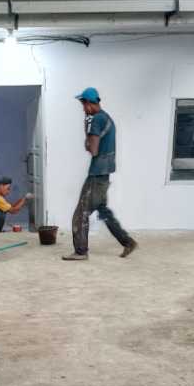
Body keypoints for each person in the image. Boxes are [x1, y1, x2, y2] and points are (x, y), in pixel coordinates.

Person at [62, 87, 138, 261]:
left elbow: (93, 150)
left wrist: (87, 137)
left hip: (97, 174)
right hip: (105, 173)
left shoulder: (96, 120)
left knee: (80, 214)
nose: (83, 108)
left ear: (89, 103)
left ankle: (80, 252)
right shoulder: (106, 117)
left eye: (83, 105)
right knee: (103, 210)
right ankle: (127, 242)